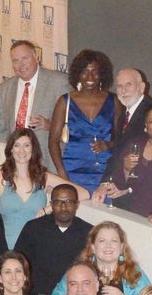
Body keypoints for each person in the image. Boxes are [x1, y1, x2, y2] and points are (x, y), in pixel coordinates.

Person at [0, 128, 86, 250]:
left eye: (26, 145)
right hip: (7, 250)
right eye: (17, 145)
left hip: (39, 248)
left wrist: (50, 208)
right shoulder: (0, 178)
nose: (22, 151)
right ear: (11, 150)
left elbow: (83, 193)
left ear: (33, 149)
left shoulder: (44, 177)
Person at [0, 39, 69, 172]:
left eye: (25, 58)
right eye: (15, 61)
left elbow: (74, 126)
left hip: (49, 164)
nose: (21, 65)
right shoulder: (4, 89)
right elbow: (0, 132)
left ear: (36, 58)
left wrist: (49, 125)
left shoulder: (59, 82)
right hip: (16, 167)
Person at [48, 49, 116, 192]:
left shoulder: (114, 101)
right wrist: (62, 173)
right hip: (72, 171)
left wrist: (108, 144)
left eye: (95, 71)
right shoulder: (65, 102)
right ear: (78, 73)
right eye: (85, 71)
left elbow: (123, 140)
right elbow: (53, 142)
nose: (90, 76)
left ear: (102, 74)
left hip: (105, 173)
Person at [48, 221, 151, 295]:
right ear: (93, 247)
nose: (108, 246)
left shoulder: (135, 273)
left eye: (114, 241)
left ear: (121, 247)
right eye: (102, 241)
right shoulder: (77, 272)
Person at [13, 184, 92, 295]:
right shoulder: (33, 228)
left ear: (77, 205)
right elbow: (18, 263)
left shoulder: (88, 232)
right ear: (51, 205)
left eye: (68, 202)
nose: (63, 207)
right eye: (58, 202)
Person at [111, 67, 152, 155]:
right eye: (120, 86)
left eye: (128, 84)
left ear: (142, 87)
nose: (123, 90)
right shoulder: (123, 114)